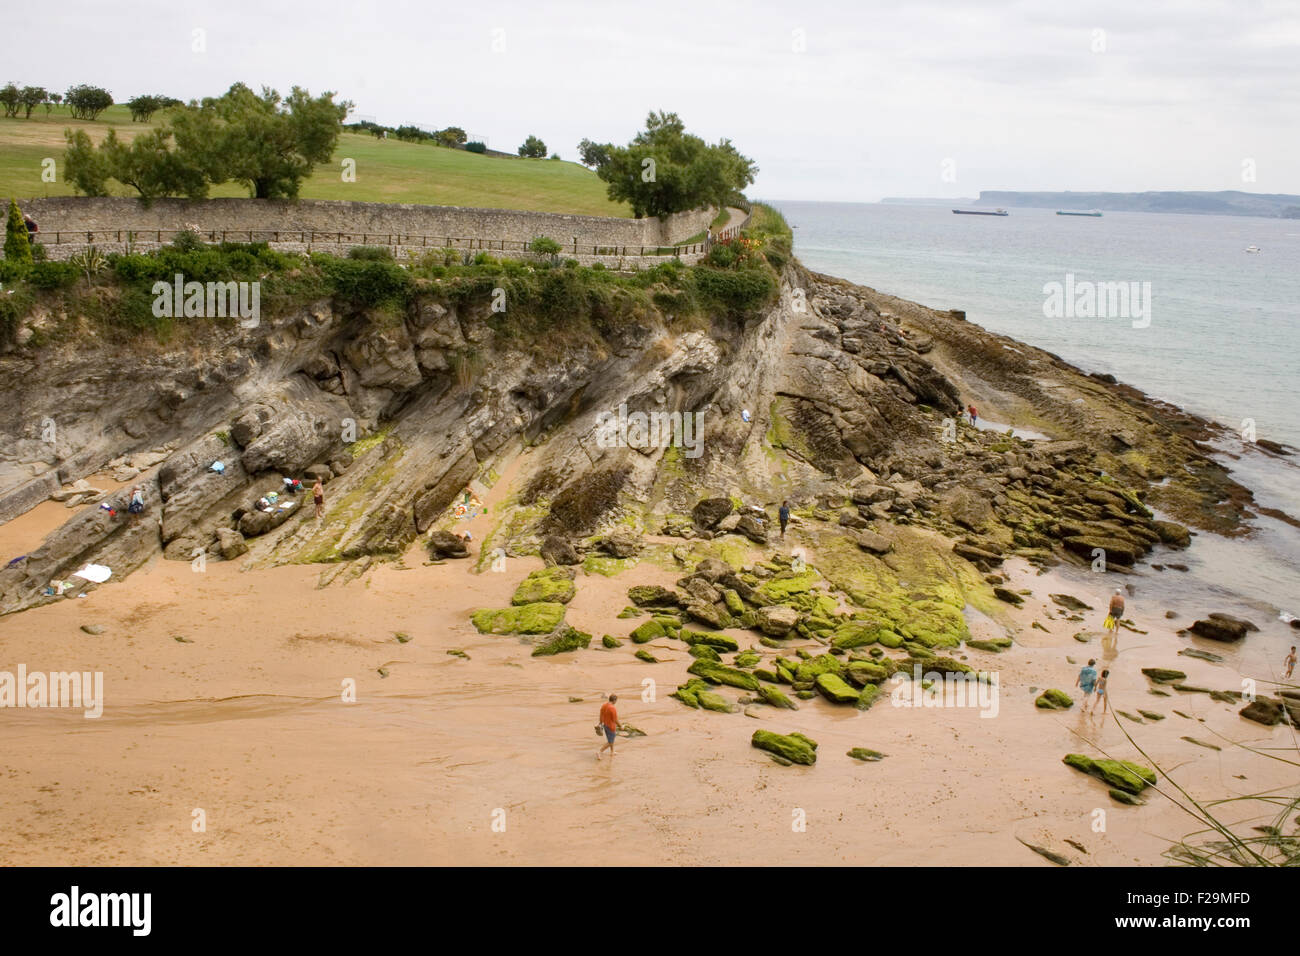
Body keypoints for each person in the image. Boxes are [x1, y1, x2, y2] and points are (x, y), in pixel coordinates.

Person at [597, 693, 619, 760]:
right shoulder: (612, 708)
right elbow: (615, 720)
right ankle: (599, 752)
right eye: (616, 701)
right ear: (614, 700)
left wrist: (600, 723)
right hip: (611, 727)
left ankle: (612, 752)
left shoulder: (604, 705)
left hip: (605, 725)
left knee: (610, 739)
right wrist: (621, 726)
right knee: (610, 742)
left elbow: (601, 715)